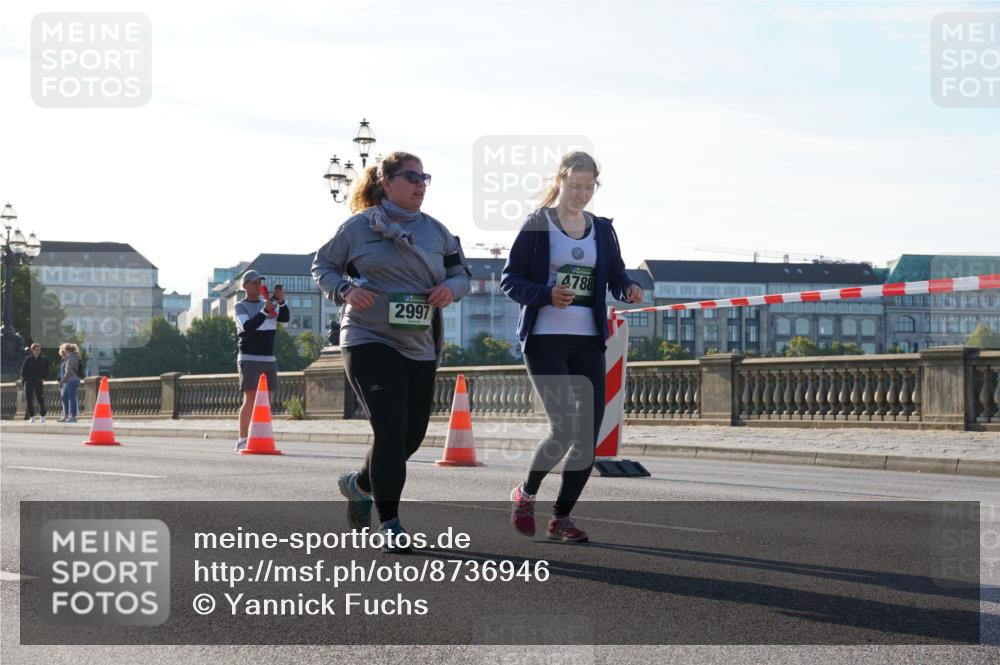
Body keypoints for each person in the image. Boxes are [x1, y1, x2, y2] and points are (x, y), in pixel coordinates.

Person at [312, 150, 470, 552]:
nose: (420, 184)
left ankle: (359, 484)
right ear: (387, 183)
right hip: (368, 338)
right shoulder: (358, 228)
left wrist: (450, 288)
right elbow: (322, 266)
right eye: (411, 177)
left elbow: (461, 275)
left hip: (419, 344)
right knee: (390, 429)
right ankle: (391, 523)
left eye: (424, 178)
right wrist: (346, 290)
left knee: (410, 437)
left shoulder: (437, 232)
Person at [500, 151, 643, 543]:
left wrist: (628, 287)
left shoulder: (602, 229)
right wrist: (546, 294)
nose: (581, 194)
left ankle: (561, 518)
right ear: (560, 181)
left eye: (588, 187)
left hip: (589, 342)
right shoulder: (538, 224)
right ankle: (526, 494)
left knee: (587, 438)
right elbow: (510, 280)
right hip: (545, 340)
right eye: (575, 186)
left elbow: (615, 276)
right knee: (563, 428)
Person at [232, 269, 289, 451]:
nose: (258, 285)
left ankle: (259, 436)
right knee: (250, 399)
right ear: (245, 285)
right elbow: (248, 326)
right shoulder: (240, 307)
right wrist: (265, 311)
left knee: (267, 400)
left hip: (269, 358)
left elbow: (285, 318)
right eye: (255, 282)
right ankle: (242, 439)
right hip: (249, 358)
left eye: (260, 282)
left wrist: (281, 301)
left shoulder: (268, 304)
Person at [20, 343, 48, 423]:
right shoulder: (28, 359)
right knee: (29, 400)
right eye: (36, 349)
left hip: (39, 381)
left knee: (41, 399)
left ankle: (42, 416)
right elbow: (23, 371)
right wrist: (25, 380)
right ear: (33, 350)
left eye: (39, 349)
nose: (38, 351)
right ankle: (32, 416)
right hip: (29, 382)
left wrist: (44, 378)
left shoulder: (43, 359)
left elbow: (46, 370)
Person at [57, 343, 83, 423]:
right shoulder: (70, 357)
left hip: (72, 380)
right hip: (70, 381)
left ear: (67, 350)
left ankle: (73, 416)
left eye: (64, 349)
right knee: (64, 397)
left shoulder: (71, 358)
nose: (63, 350)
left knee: (72, 398)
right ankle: (66, 415)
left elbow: (68, 372)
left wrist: (62, 380)